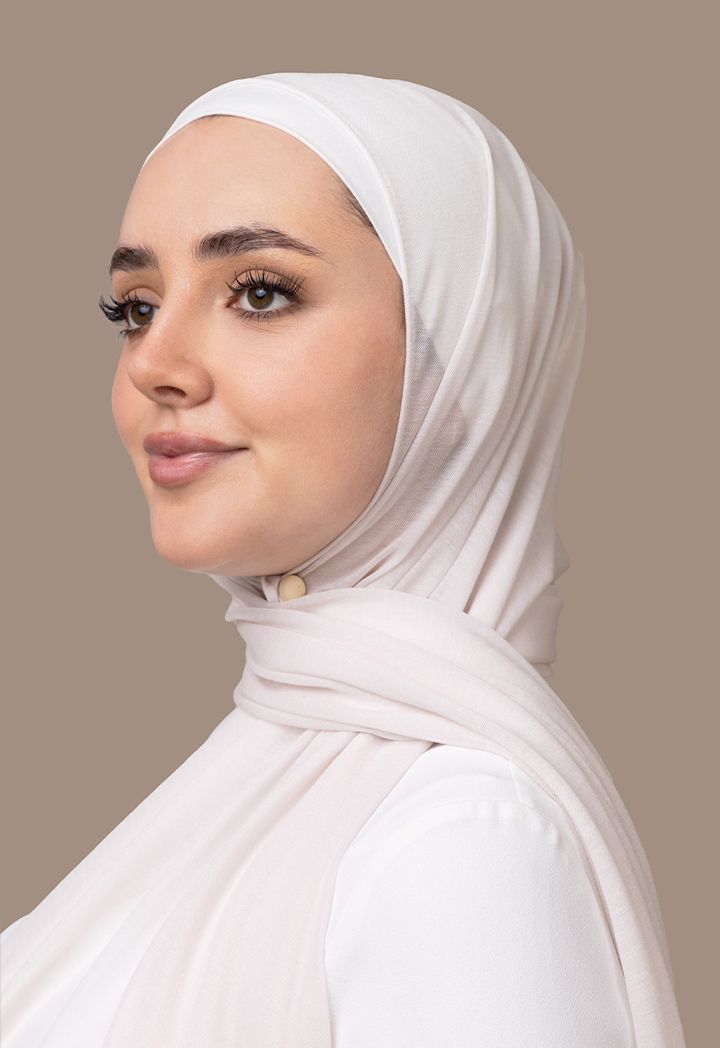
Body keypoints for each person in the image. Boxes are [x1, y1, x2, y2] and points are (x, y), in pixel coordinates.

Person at [0, 72, 686, 1047]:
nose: (153, 362)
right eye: (136, 307)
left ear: (465, 368)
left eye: (260, 292)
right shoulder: (259, 775)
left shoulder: (456, 845)